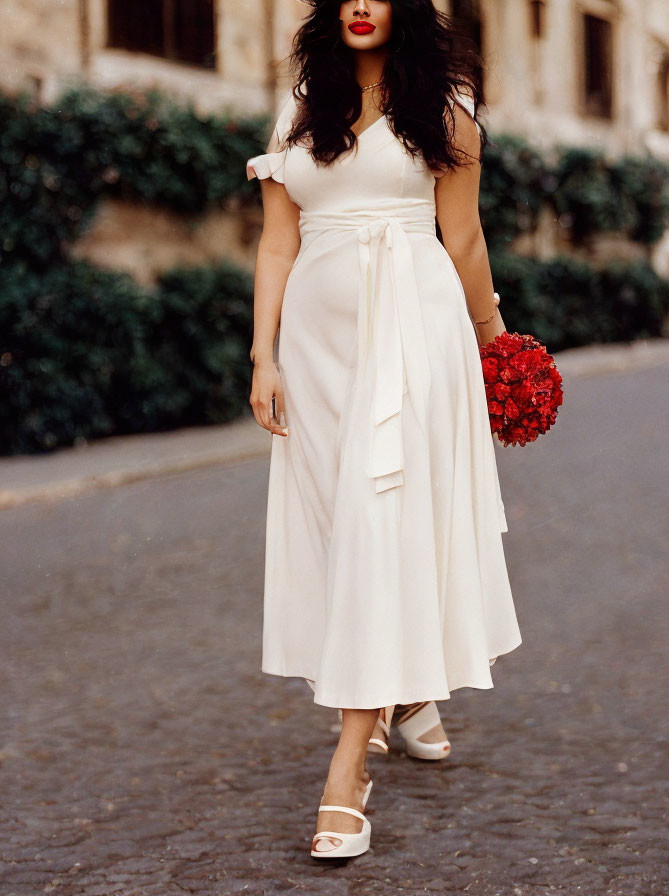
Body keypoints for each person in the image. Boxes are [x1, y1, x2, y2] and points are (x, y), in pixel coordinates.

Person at [245, 0, 522, 859]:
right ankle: (402, 693)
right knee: (337, 527)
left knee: (377, 515)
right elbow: (278, 244)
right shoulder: (301, 105)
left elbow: (463, 235)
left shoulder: (447, 105)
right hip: (318, 346)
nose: (363, 2)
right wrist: (262, 354)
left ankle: (346, 769)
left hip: (414, 329)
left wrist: (495, 342)